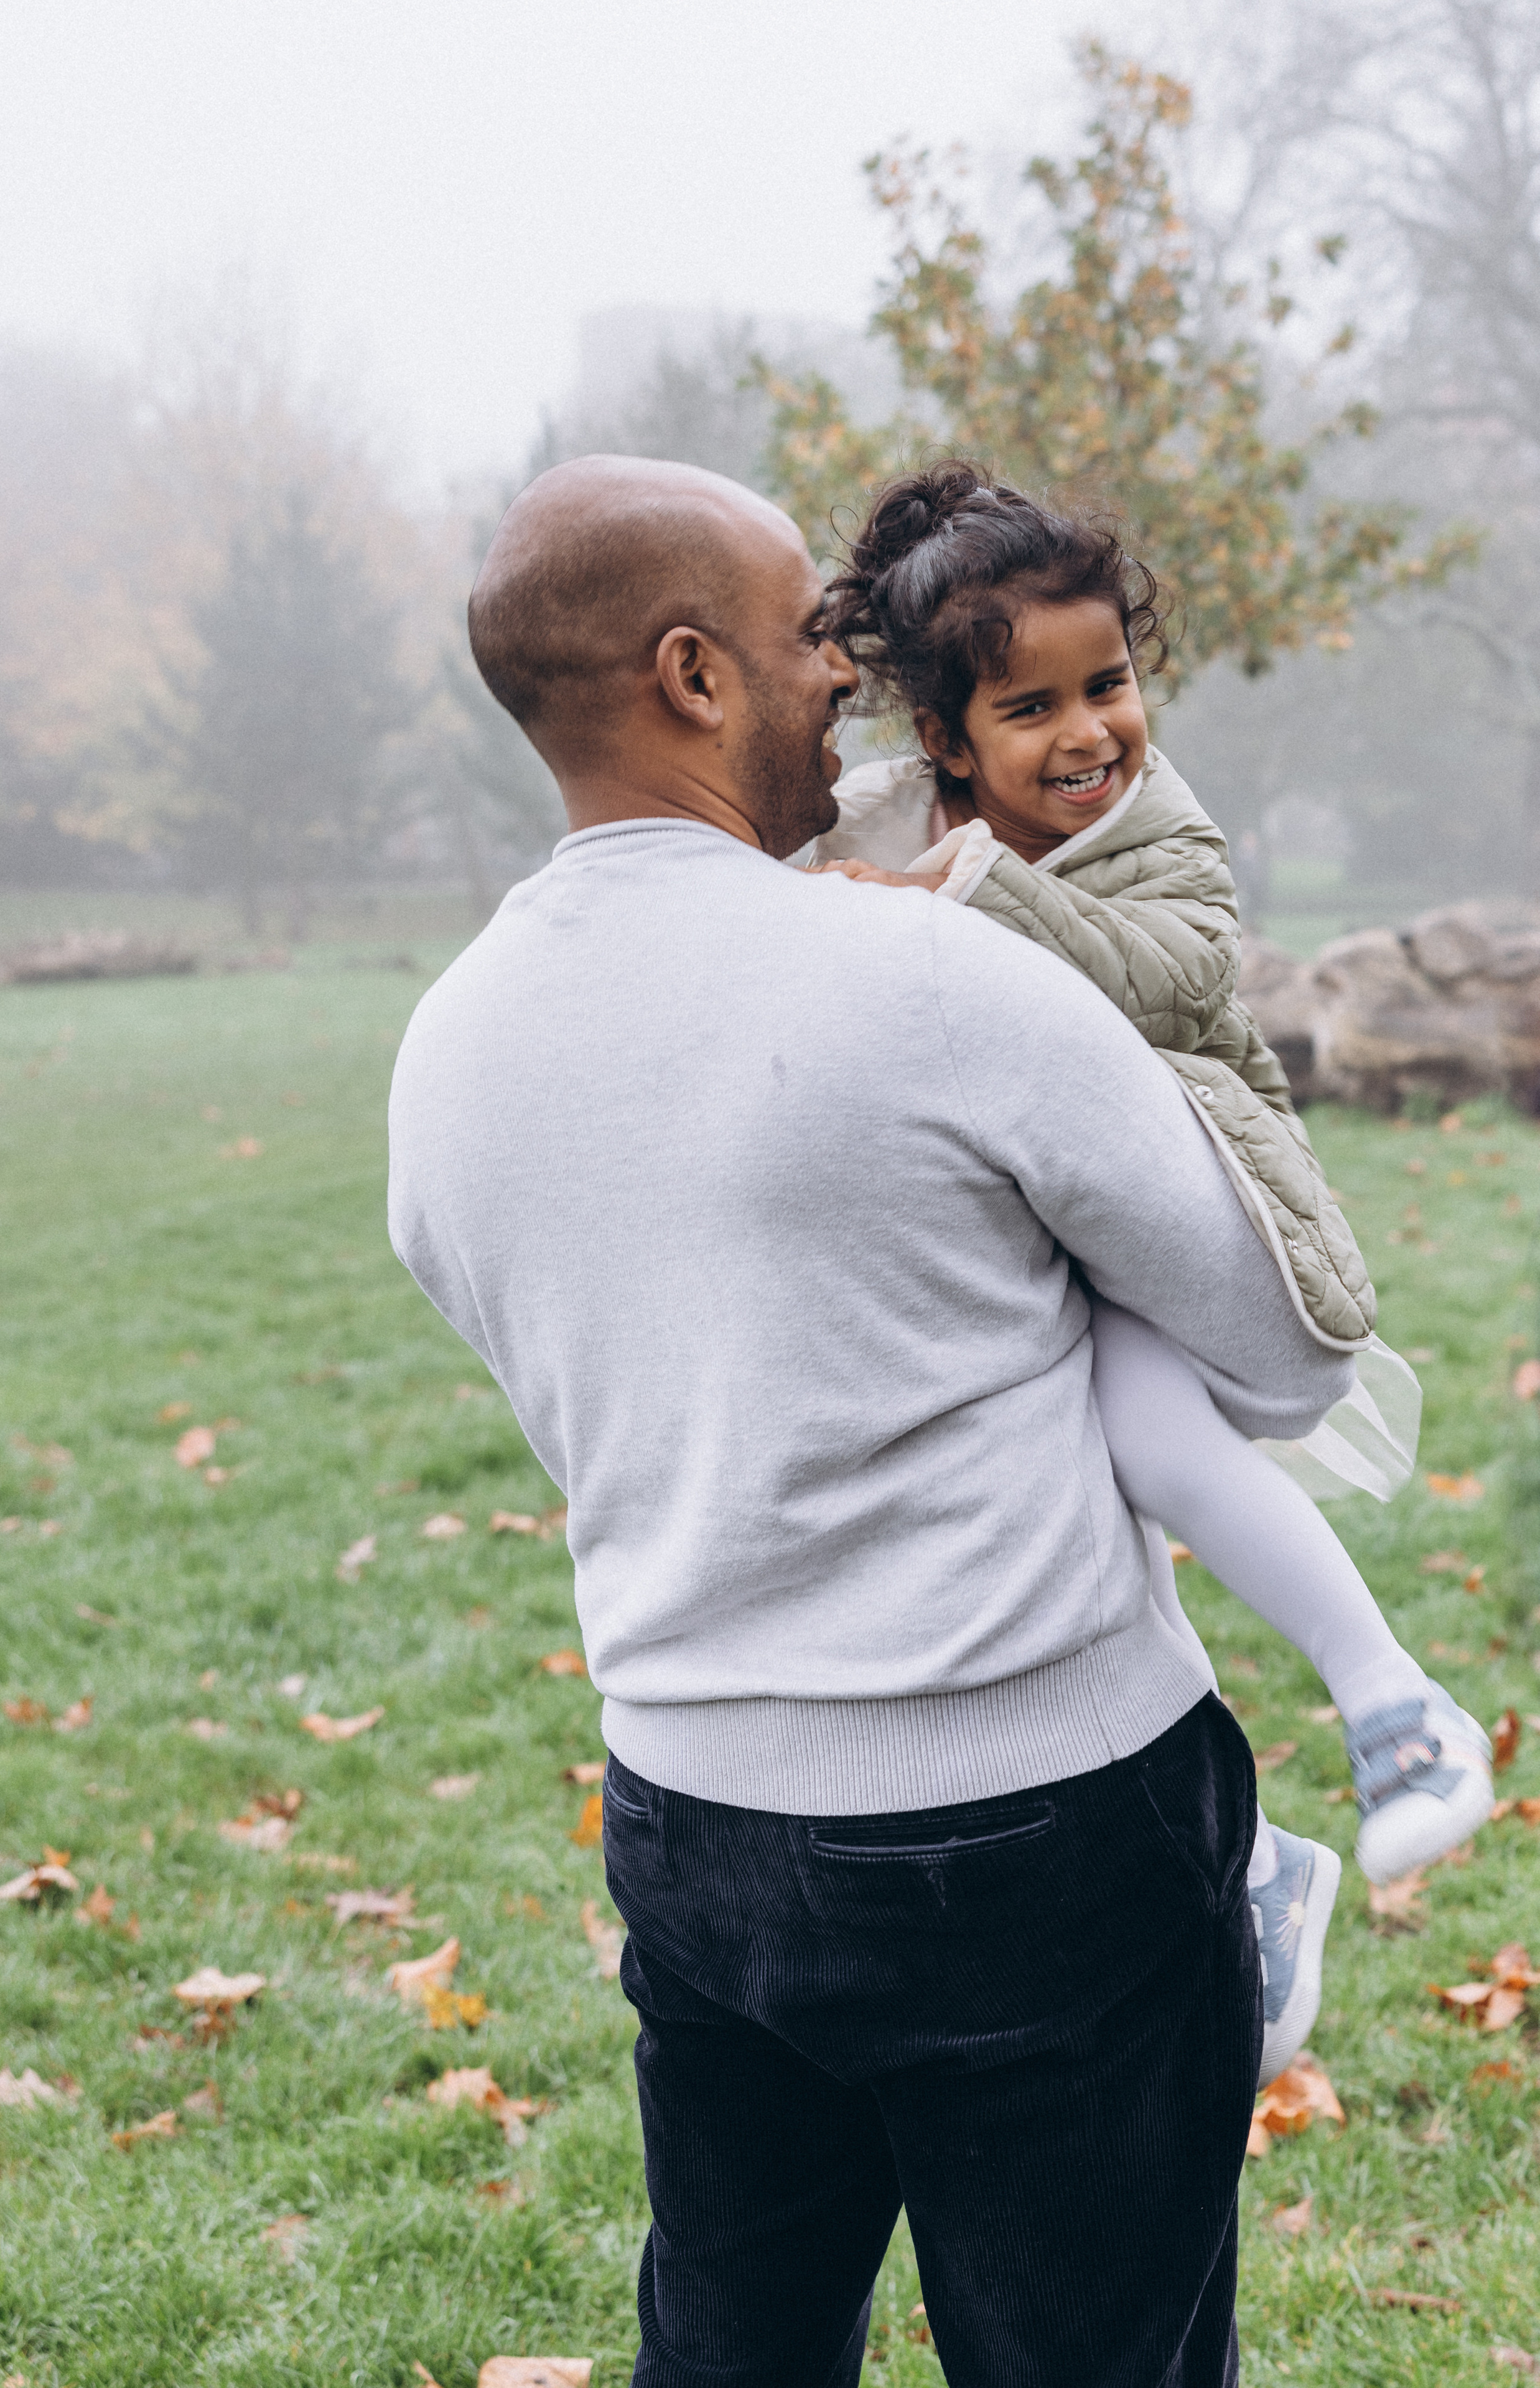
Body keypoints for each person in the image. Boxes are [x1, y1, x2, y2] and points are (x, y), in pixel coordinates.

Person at [388, 453, 1355, 2388]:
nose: (846, 670)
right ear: (688, 672)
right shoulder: (929, 967)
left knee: (736, 2350)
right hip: (1043, 1828)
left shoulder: (447, 1048)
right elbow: (1285, 1353)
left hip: (689, 1826)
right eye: (801, 637)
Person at [809, 466, 1493, 1969]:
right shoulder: (876, 812)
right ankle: (1245, 1856)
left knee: (1149, 1430)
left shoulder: (1160, 825)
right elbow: (792, 898)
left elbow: (1173, 978)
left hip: (1189, 1202)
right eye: (1029, 707)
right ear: (940, 734)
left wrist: (958, 890)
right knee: (1057, 1513)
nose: (1088, 733)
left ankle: (1391, 1692)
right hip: (1015, 1232)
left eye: (1106, 682)